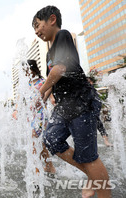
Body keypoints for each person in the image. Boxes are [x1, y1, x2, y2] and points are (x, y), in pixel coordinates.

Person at [32, 6, 111, 197]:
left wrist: (40, 91)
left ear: (52, 19)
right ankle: (91, 174)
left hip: (81, 101)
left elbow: (59, 69)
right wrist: (41, 97)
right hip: (65, 105)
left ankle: (98, 182)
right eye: (34, 28)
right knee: (51, 139)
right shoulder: (48, 53)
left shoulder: (63, 36)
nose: (36, 31)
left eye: (37, 25)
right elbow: (53, 80)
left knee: (88, 155)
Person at [12, 60, 56, 175]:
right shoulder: (25, 84)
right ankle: (49, 166)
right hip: (29, 115)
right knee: (39, 142)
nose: (24, 72)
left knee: (33, 140)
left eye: (26, 69)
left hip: (40, 114)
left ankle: (36, 171)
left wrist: (50, 100)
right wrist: (16, 110)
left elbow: (47, 98)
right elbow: (19, 98)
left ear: (33, 69)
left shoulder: (44, 82)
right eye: (23, 70)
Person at [87, 77, 112, 147]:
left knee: (97, 123)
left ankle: (105, 141)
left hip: (93, 110)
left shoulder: (91, 89)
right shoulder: (90, 90)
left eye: (89, 82)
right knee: (97, 124)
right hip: (91, 110)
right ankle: (105, 141)